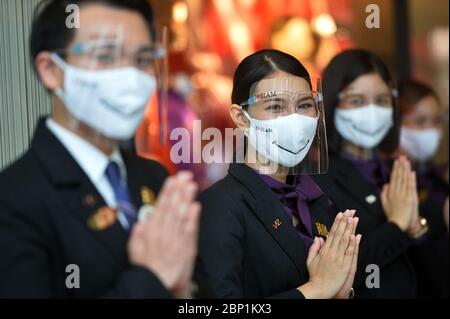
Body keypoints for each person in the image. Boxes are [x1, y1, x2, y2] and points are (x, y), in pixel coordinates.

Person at [0, 0, 201, 298]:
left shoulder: (154, 176)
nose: (130, 77)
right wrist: (152, 278)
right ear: (52, 70)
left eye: (143, 59)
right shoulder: (14, 198)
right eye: (105, 56)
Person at [195, 49, 362, 299]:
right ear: (241, 118)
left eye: (304, 104)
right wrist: (317, 289)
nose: (294, 119)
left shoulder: (315, 198)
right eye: (275, 106)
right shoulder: (219, 205)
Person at [314, 49, 428, 298]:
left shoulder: (397, 172)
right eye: (356, 101)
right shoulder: (316, 179)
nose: (372, 112)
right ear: (333, 103)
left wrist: (416, 230)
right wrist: (396, 225)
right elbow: (335, 273)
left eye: (382, 100)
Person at [397, 79, 449, 298]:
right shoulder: (390, 182)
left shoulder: (436, 176)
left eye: (436, 120)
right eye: (419, 121)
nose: (431, 130)